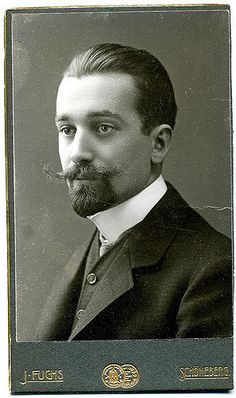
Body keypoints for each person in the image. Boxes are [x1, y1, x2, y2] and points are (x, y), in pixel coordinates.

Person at [36, 43, 232, 341]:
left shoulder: (212, 269)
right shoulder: (84, 250)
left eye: (103, 128)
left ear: (158, 144)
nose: (77, 153)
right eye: (67, 130)